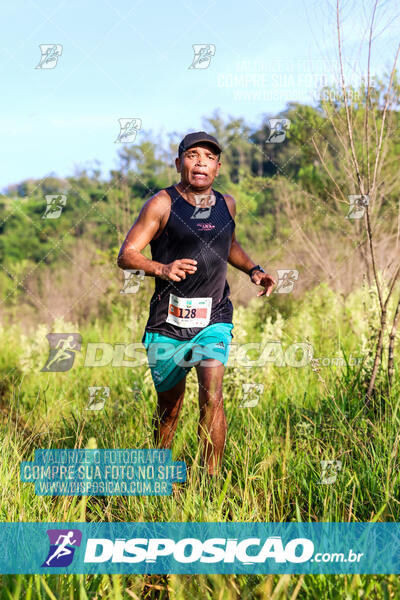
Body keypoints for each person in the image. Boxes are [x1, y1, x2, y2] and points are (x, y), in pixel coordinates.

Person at [117, 131, 276, 475]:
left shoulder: (226, 204)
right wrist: (162, 267)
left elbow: (228, 243)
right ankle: (159, 473)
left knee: (212, 395)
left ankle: (210, 481)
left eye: (209, 157)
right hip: (168, 323)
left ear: (217, 168)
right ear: (179, 164)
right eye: (192, 155)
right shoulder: (162, 204)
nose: (200, 161)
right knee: (169, 411)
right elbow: (126, 255)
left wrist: (254, 269)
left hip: (213, 318)